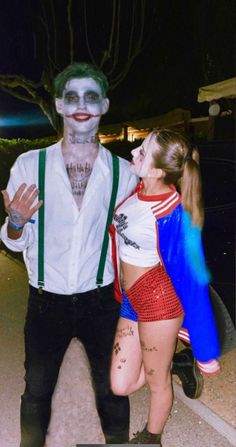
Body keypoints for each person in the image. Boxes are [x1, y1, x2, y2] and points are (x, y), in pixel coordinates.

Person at [0, 62, 204, 446]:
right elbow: (15, 239)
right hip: (47, 301)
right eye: (71, 96)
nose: (81, 104)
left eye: (91, 96)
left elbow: (161, 213)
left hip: (102, 300)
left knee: (112, 392)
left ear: (104, 105)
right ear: (59, 105)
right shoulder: (28, 166)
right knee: (37, 390)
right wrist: (14, 224)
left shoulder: (127, 173)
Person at [109, 129, 220, 445]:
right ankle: (173, 360)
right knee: (121, 384)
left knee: (157, 382)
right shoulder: (140, 189)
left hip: (158, 302)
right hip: (132, 299)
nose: (133, 153)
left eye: (142, 152)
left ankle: (151, 438)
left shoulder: (173, 212)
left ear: (158, 170)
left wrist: (205, 348)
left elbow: (194, 283)